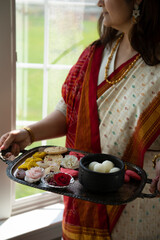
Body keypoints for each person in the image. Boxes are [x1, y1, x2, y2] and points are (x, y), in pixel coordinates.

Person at [0, 0, 160, 239]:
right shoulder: (96, 53)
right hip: (83, 193)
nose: (98, 2)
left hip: (135, 203)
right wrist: (29, 134)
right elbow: (67, 111)